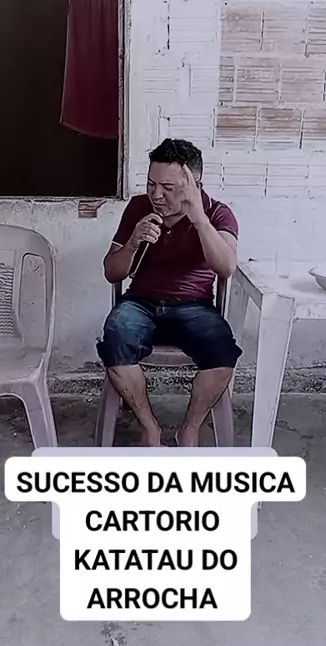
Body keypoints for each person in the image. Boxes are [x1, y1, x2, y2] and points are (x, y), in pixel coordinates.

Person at [96, 138, 241, 447]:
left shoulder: (217, 213)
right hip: (140, 303)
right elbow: (112, 272)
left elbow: (226, 267)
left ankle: (190, 428)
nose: (156, 195)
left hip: (194, 306)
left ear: (194, 186)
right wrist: (133, 242)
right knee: (116, 338)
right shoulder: (139, 207)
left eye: (168, 187)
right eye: (151, 184)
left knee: (222, 353)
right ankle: (149, 428)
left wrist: (199, 219)